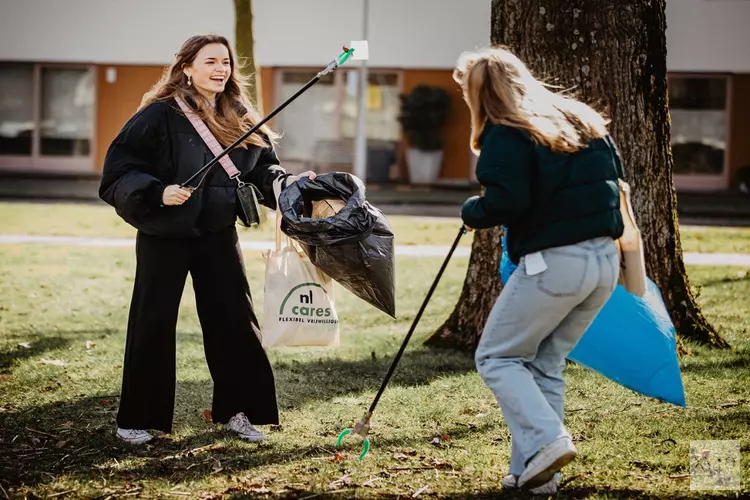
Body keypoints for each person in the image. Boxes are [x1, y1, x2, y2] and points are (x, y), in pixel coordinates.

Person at [99, 34, 316, 445]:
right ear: (187, 68)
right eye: (211, 61)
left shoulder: (240, 113)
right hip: (164, 235)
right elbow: (118, 170)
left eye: (226, 62)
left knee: (235, 322)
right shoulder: (158, 115)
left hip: (217, 232)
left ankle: (238, 412)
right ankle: (137, 418)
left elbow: (262, 169)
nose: (221, 69)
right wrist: (155, 190)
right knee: (153, 323)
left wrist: (285, 183)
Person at [453, 46, 625, 493]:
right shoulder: (581, 119)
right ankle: (533, 477)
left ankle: (548, 441)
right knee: (544, 364)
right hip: (605, 261)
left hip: (556, 264)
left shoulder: (506, 132)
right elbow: (616, 182)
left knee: (497, 356)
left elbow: (507, 201)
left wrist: (473, 210)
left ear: (479, 95)